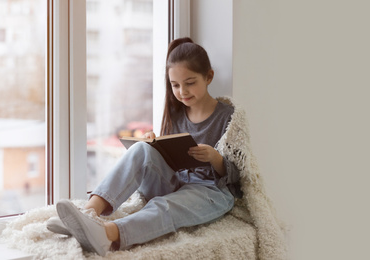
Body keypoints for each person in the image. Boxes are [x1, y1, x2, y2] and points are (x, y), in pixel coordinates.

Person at [47, 37, 243, 256]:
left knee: (164, 206)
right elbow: (170, 159)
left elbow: (238, 177)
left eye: (190, 83)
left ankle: (107, 234)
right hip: (178, 181)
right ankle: (88, 213)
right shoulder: (177, 113)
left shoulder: (228, 117)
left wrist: (215, 158)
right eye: (175, 85)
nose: (182, 92)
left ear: (209, 77)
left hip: (210, 192)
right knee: (141, 149)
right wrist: (155, 144)